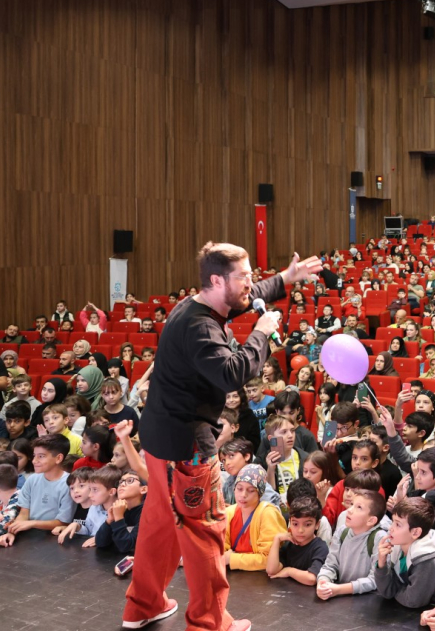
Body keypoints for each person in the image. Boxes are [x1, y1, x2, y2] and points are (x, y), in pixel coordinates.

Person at [123, 243, 321, 631]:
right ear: (217, 280)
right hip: (186, 445)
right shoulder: (200, 326)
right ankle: (210, 621)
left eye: (251, 274)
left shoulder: (198, 306)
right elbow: (231, 373)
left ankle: (143, 606)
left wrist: (285, 278)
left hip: (162, 435)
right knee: (204, 532)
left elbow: (246, 299)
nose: (250, 282)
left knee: (159, 526)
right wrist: (262, 334)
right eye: (243, 276)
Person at [375, 496, 435, 609]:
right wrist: (381, 564)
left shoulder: (427, 560)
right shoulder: (397, 548)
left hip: (433, 611)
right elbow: (386, 592)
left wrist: (395, 590)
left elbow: (413, 601)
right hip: (407, 611)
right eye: (392, 522)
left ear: (415, 532)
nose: (391, 528)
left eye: (398, 524)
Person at [316, 489, 385, 600]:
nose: (350, 510)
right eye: (352, 504)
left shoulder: (380, 538)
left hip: (368, 601)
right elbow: (330, 565)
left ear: (371, 520)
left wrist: (339, 589)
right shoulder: (342, 531)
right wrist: (323, 582)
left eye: (359, 507)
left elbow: (375, 580)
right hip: (341, 597)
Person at [266, 494, 329, 586]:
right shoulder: (289, 544)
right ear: (290, 522)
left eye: (307, 524)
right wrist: (277, 539)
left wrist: (289, 571)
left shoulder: (320, 547)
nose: (300, 530)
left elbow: (312, 579)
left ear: (317, 524)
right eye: (295, 524)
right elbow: (271, 570)